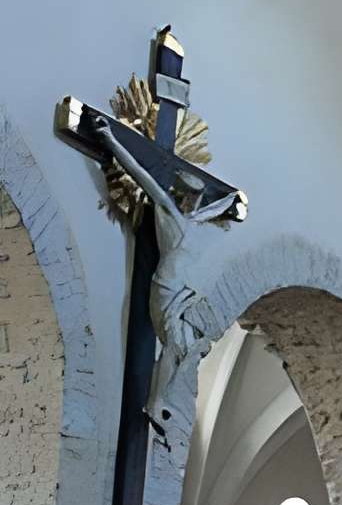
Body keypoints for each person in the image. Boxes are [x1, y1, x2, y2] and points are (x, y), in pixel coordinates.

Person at [85, 108, 236, 442]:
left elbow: (219, 207)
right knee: (174, 344)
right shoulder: (169, 211)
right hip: (167, 288)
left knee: (184, 346)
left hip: (182, 293)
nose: (195, 201)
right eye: (192, 195)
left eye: (198, 197)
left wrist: (229, 205)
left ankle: (159, 402)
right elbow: (140, 173)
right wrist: (110, 138)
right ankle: (156, 401)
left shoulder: (197, 226)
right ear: (183, 195)